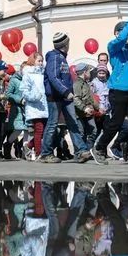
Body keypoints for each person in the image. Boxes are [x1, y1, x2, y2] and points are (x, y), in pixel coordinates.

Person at [91, 19, 128, 166]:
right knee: (116, 123)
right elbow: (121, 39)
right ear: (118, 33)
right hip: (118, 91)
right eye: (127, 33)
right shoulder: (113, 48)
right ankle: (99, 147)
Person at [39, 33, 91, 163]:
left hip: (65, 97)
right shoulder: (55, 57)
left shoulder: (62, 58)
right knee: (52, 124)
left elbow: (64, 77)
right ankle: (46, 153)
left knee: (73, 123)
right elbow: (53, 77)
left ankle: (80, 151)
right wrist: (65, 91)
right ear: (65, 45)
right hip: (56, 96)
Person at [20, 54, 48, 161]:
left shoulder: (43, 74)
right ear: (33, 61)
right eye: (38, 61)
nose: (40, 63)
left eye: (42, 61)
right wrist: (34, 97)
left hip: (44, 106)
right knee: (39, 129)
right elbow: (24, 91)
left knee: (44, 131)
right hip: (34, 107)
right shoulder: (28, 74)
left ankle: (29, 146)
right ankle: (38, 153)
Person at [72, 63, 98, 148]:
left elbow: (91, 98)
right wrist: (84, 108)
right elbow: (75, 99)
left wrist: (98, 108)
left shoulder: (86, 83)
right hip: (79, 113)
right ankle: (80, 153)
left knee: (93, 131)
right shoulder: (77, 84)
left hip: (88, 112)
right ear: (84, 72)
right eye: (88, 71)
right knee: (81, 133)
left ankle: (88, 150)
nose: (90, 74)